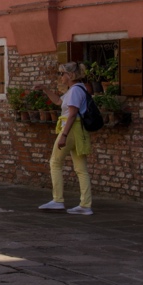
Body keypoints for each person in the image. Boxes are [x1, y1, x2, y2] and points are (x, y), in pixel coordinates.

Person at [37, 61, 93, 215]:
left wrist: (64, 135)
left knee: (55, 163)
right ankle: (85, 204)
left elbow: (72, 113)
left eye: (62, 74)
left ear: (70, 75)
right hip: (78, 130)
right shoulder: (77, 89)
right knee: (81, 169)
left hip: (71, 129)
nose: (60, 76)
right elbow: (58, 102)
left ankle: (58, 200)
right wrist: (45, 89)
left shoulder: (75, 90)